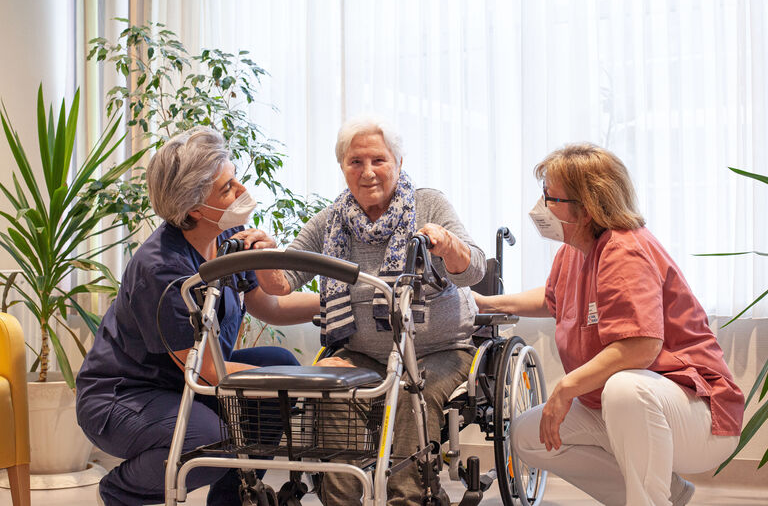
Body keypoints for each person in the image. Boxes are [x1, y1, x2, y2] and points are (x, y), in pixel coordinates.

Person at [474, 143, 744, 506]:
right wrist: (484, 304)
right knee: (526, 437)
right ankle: (667, 494)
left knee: (624, 388)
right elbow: (553, 299)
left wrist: (565, 387)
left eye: (550, 197)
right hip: (632, 405)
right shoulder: (574, 251)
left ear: (585, 209)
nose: (542, 207)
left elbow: (641, 345)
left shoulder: (624, 248)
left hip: (698, 413)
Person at [76, 127, 320, 506]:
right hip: (123, 395)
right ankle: (121, 491)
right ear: (193, 207)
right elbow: (207, 371)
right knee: (210, 437)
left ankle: (235, 500)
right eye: (227, 188)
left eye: (235, 178)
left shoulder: (228, 236)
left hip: (179, 383)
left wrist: (336, 301)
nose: (241, 190)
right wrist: (313, 380)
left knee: (278, 363)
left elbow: (266, 306)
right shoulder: (161, 270)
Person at [255, 115, 486, 506]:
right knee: (333, 392)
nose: (368, 172)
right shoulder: (331, 221)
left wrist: (448, 245)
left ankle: (407, 500)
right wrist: (263, 255)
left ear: (398, 161)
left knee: (417, 393)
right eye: (355, 162)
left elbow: (475, 269)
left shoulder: (428, 203)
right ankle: (341, 499)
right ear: (343, 167)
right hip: (363, 352)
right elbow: (281, 281)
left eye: (378, 160)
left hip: (437, 349)